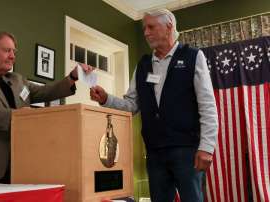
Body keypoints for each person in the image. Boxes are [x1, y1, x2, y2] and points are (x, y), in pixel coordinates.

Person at [92, 9, 218, 202]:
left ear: (169, 27)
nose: (146, 33)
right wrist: (105, 99)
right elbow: (132, 105)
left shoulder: (193, 57)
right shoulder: (143, 65)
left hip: (187, 151)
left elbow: (207, 105)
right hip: (155, 153)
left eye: (151, 27)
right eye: (144, 28)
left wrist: (207, 147)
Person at [0, 32, 92, 184]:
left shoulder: (17, 80)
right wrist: (17, 116)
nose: (12, 55)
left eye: (14, 51)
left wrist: (72, 77)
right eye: (7, 50)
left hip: (20, 164)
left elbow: (45, 92)